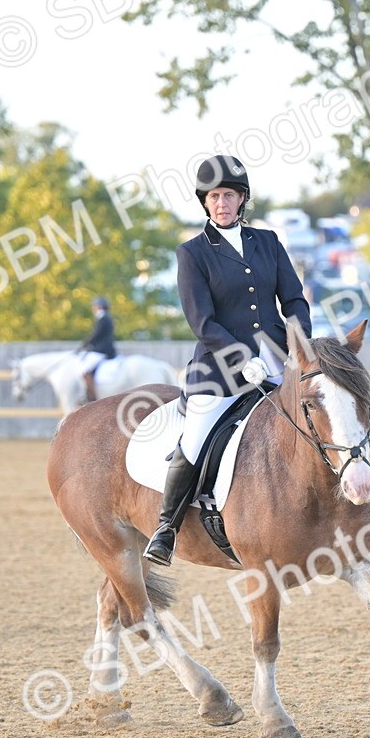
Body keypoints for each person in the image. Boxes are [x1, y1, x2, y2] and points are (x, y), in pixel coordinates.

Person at [143, 154, 312, 566]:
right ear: (205, 201)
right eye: (215, 196)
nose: (222, 203)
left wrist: (300, 343)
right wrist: (240, 358)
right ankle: (167, 528)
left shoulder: (268, 243)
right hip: (217, 371)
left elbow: (292, 299)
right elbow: (202, 320)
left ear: (242, 199)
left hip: (277, 362)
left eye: (230, 195)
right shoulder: (193, 253)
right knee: (195, 439)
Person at [77, 297, 116, 402]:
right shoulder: (106, 318)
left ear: (98, 307)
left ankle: (92, 396)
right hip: (103, 349)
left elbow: (96, 335)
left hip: (102, 351)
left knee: (86, 371)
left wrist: (85, 344)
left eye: (94, 307)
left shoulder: (103, 319)